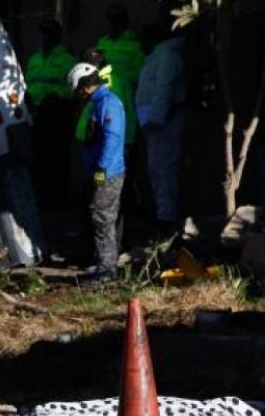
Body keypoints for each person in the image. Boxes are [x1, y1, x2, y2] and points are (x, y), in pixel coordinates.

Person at [69, 62, 126, 280]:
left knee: (103, 218)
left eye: (79, 89)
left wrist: (102, 169)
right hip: (99, 170)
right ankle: (104, 263)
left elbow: (112, 140)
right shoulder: (98, 102)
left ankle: (107, 269)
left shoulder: (108, 103)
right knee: (99, 217)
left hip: (108, 173)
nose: (79, 94)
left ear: (85, 85)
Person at [135, 25, 186, 233]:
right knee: (156, 169)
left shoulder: (166, 56)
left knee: (164, 169)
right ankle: (160, 212)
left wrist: (157, 118)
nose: (140, 46)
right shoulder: (157, 56)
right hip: (154, 125)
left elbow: (164, 88)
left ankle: (166, 218)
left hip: (164, 123)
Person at [25, 19, 76, 209]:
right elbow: (28, 82)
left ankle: (60, 201)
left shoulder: (66, 58)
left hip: (57, 114)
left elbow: (73, 88)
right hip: (37, 114)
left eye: (49, 34)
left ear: (58, 37)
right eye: (43, 33)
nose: (45, 38)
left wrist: (58, 96)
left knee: (58, 159)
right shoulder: (34, 59)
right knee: (40, 158)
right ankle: (43, 199)